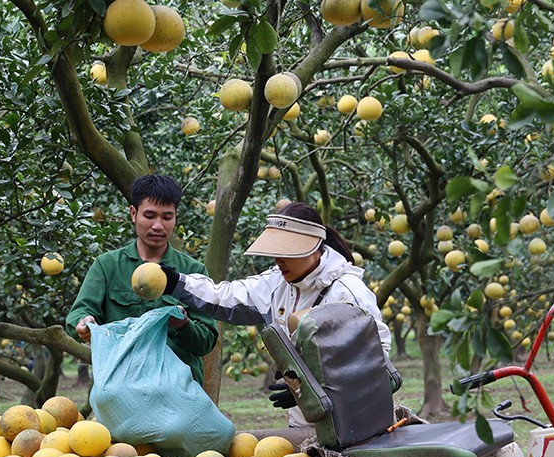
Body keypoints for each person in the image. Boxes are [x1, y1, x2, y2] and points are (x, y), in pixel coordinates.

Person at [159, 201, 390, 426]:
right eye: (275, 251)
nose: (279, 260)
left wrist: (320, 389)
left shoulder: (347, 293)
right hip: (303, 424)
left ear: (314, 248)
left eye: (288, 252)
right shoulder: (277, 284)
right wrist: (177, 283)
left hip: (354, 424)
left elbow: (378, 366)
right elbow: (227, 296)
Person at [65, 175, 217, 386]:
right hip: (121, 385)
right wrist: (84, 324)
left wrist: (184, 325)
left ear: (175, 217)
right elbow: (78, 315)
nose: (158, 225)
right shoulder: (107, 266)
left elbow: (207, 341)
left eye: (166, 217)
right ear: (133, 213)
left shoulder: (193, 272)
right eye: (150, 215)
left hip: (177, 390)